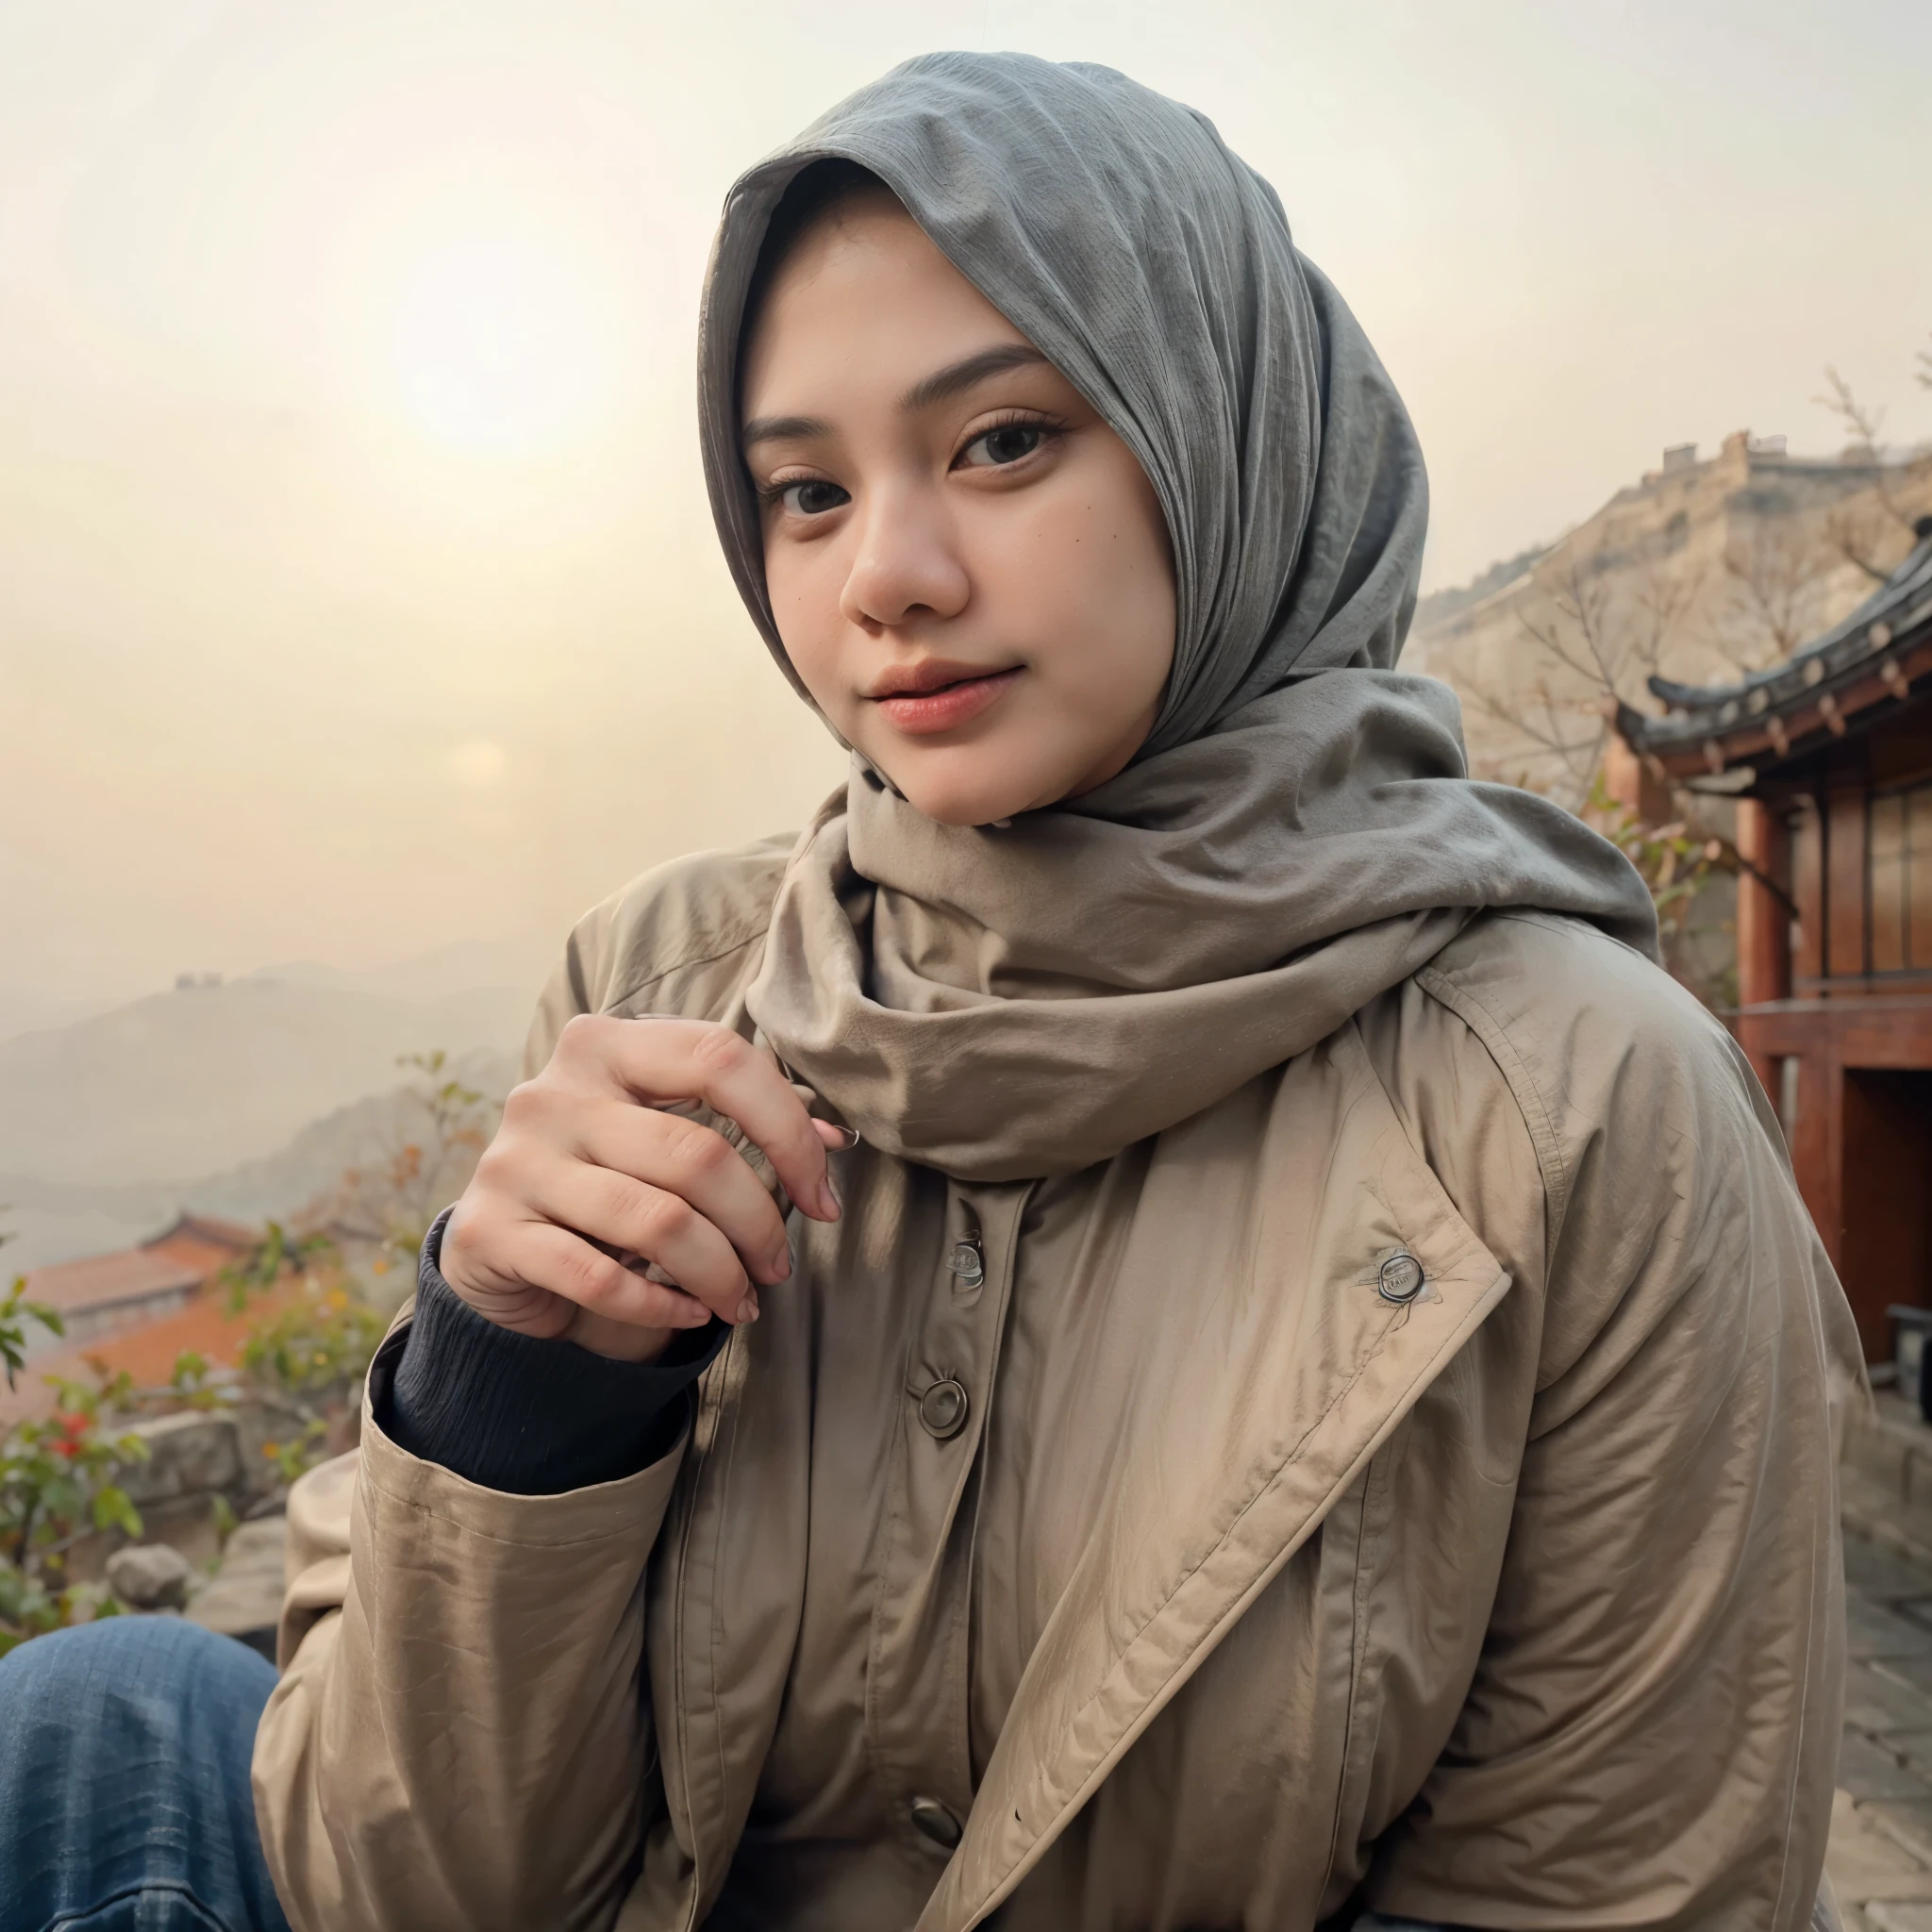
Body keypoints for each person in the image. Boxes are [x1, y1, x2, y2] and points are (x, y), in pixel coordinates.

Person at [0, 51, 1859, 1932]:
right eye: (802, 491)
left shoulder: (1574, 1103)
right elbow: (409, 1891)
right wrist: (511, 1384)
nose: (881, 576)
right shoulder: (665, 1002)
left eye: (1000, 443)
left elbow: (1622, 1887)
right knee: (95, 1713)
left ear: (1228, 438)